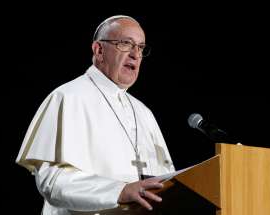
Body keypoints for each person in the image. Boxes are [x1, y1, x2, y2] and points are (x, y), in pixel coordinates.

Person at [16, 15, 175, 215]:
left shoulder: (144, 112)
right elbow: (52, 181)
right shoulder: (68, 97)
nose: (135, 54)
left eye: (141, 47)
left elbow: (165, 181)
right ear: (99, 50)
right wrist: (119, 191)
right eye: (126, 44)